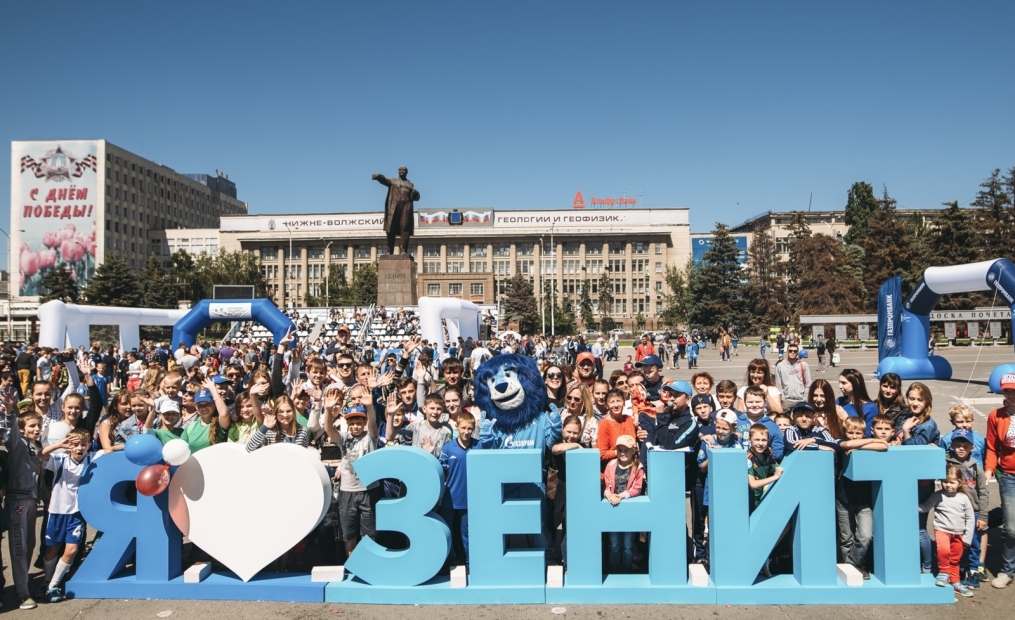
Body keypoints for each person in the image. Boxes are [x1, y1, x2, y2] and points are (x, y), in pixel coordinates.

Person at [323, 388, 380, 557]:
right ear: (348, 424)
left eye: (359, 422)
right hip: (347, 490)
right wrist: (327, 410)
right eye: (352, 422)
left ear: (364, 422)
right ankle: (353, 567)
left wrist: (369, 407)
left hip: (368, 490)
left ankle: (368, 567)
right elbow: (328, 429)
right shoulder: (344, 438)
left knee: (368, 533)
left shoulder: (371, 437)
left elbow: (373, 425)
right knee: (349, 533)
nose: (355, 426)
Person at [40, 427, 91, 603]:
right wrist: (59, 445)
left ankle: (53, 585)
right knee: (52, 549)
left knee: (72, 550)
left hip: (77, 513)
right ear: (69, 446)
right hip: (57, 510)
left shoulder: (91, 460)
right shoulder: (60, 459)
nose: (79, 448)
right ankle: (47, 580)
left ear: (88, 445)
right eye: (75, 445)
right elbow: (42, 455)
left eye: (83, 444)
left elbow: (107, 453)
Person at [836, 415, 886, 579]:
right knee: (846, 538)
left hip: (864, 500)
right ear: (845, 432)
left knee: (865, 535)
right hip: (843, 498)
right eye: (851, 433)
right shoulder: (840, 443)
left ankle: (852, 564)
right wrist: (867, 443)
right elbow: (847, 444)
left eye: (859, 433)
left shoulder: (864, 444)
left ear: (864, 433)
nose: (855, 436)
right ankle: (849, 569)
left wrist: (862, 446)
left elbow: (884, 445)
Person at [900, 382, 940, 574]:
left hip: (922, 484)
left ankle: (927, 566)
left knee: (919, 528)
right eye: (912, 398)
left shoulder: (928, 424)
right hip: (905, 481)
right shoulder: (910, 417)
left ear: (927, 402)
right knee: (906, 525)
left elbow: (915, 452)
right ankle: (911, 562)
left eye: (919, 400)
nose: (914, 403)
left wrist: (906, 432)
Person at [918, 464, 975, 597]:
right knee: (943, 551)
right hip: (942, 530)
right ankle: (943, 573)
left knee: (955, 558)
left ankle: (955, 581)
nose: (948, 485)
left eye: (952, 482)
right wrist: (914, 508)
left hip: (959, 533)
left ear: (959, 483)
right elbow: (926, 506)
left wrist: (967, 537)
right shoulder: (937, 495)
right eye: (945, 482)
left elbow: (970, 518)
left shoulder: (964, 498)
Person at [694, 409, 741, 565]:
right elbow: (702, 467)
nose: (721, 431)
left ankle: (726, 556)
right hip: (711, 488)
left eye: (725, 428)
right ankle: (704, 555)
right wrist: (714, 455)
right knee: (707, 522)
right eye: (718, 427)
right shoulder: (708, 442)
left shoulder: (738, 442)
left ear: (734, 428)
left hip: (730, 491)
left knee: (725, 524)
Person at [946, 429, 989, 589]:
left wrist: (983, 516)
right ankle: (960, 570)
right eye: (958, 445)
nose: (961, 448)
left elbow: (983, 493)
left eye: (965, 445)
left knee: (974, 544)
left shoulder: (976, 468)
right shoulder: (947, 464)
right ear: (952, 446)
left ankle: (973, 572)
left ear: (972, 447)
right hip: (955, 513)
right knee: (957, 543)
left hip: (974, 513)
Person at [984, 373, 1015, 588]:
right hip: (1009, 476)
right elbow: (993, 448)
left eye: (1014, 390)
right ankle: (1007, 570)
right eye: (1007, 391)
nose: (1011, 394)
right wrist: (989, 470)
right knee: (1011, 528)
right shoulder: (996, 416)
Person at [439, 412, 480, 569]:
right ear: (456, 427)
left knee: (468, 534)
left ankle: (469, 564)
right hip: (449, 499)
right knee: (446, 532)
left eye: (470, 428)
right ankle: (448, 562)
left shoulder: (479, 446)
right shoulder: (448, 448)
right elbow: (440, 470)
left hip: (470, 500)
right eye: (463, 428)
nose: (466, 432)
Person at [603, 435, 644, 573]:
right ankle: (614, 567)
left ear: (633, 451)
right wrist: (609, 494)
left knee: (628, 543)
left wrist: (621, 495)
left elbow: (637, 488)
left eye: (626, 450)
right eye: (620, 450)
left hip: (629, 510)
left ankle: (626, 567)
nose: (622, 453)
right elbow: (607, 484)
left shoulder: (638, 466)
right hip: (613, 508)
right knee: (614, 543)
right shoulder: (611, 465)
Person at [550, 416, 583, 566]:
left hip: (576, 491)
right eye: (568, 431)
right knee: (553, 524)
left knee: (569, 529)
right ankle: (552, 558)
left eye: (575, 433)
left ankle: (567, 563)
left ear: (580, 433)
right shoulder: (560, 443)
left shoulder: (582, 446)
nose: (571, 436)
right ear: (562, 430)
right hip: (559, 490)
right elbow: (557, 449)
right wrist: (577, 445)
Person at [741, 387, 784, 461]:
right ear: (744, 402)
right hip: (737, 463)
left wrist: (770, 454)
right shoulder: (737, 421)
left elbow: (779, 450)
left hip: (762, 467)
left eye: (758, 402)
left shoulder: (772, 426)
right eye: (750, 402)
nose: (754, 405)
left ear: (765, 402)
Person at [598, 389, 636, 471]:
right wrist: (624, 451)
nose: (616, 405)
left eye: (619, 401)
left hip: (631, 468)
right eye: (612, 402)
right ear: (607, 405)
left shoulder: (629, 419)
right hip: (613, 470)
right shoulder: (604, 424)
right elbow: (602, 454)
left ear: (624, 403)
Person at [837, 369, 878, 435]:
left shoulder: (870, 408)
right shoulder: (839, 401)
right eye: (839, 382)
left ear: (856, 383)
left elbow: (867, 435)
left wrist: (846, 420)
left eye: (844, 383)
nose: (840, 386)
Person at [774, 343, 809, 410]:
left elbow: (808, 383)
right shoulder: (780, 366)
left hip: (800, 400)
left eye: (795, 351)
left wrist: (805, 398)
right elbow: (778, 384)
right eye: (790, 351)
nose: (792, 352)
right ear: (787, 352)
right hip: (787, 401)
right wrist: (782, 398)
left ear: (797, 353)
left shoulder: (803, 365)